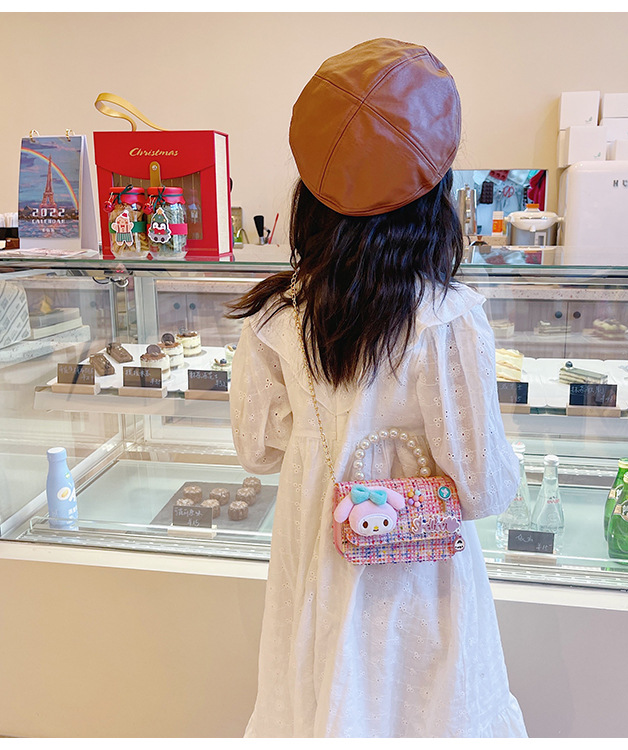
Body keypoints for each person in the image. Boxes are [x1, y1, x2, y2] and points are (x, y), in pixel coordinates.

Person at [229, 38, 527, 738]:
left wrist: (325, 436)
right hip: (418, 581)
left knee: (318, 705)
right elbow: (482, 486)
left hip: (312, 560)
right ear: (433, 196)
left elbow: (256, 450)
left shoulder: (275, 315)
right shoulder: (449, 317)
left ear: (311, 193)